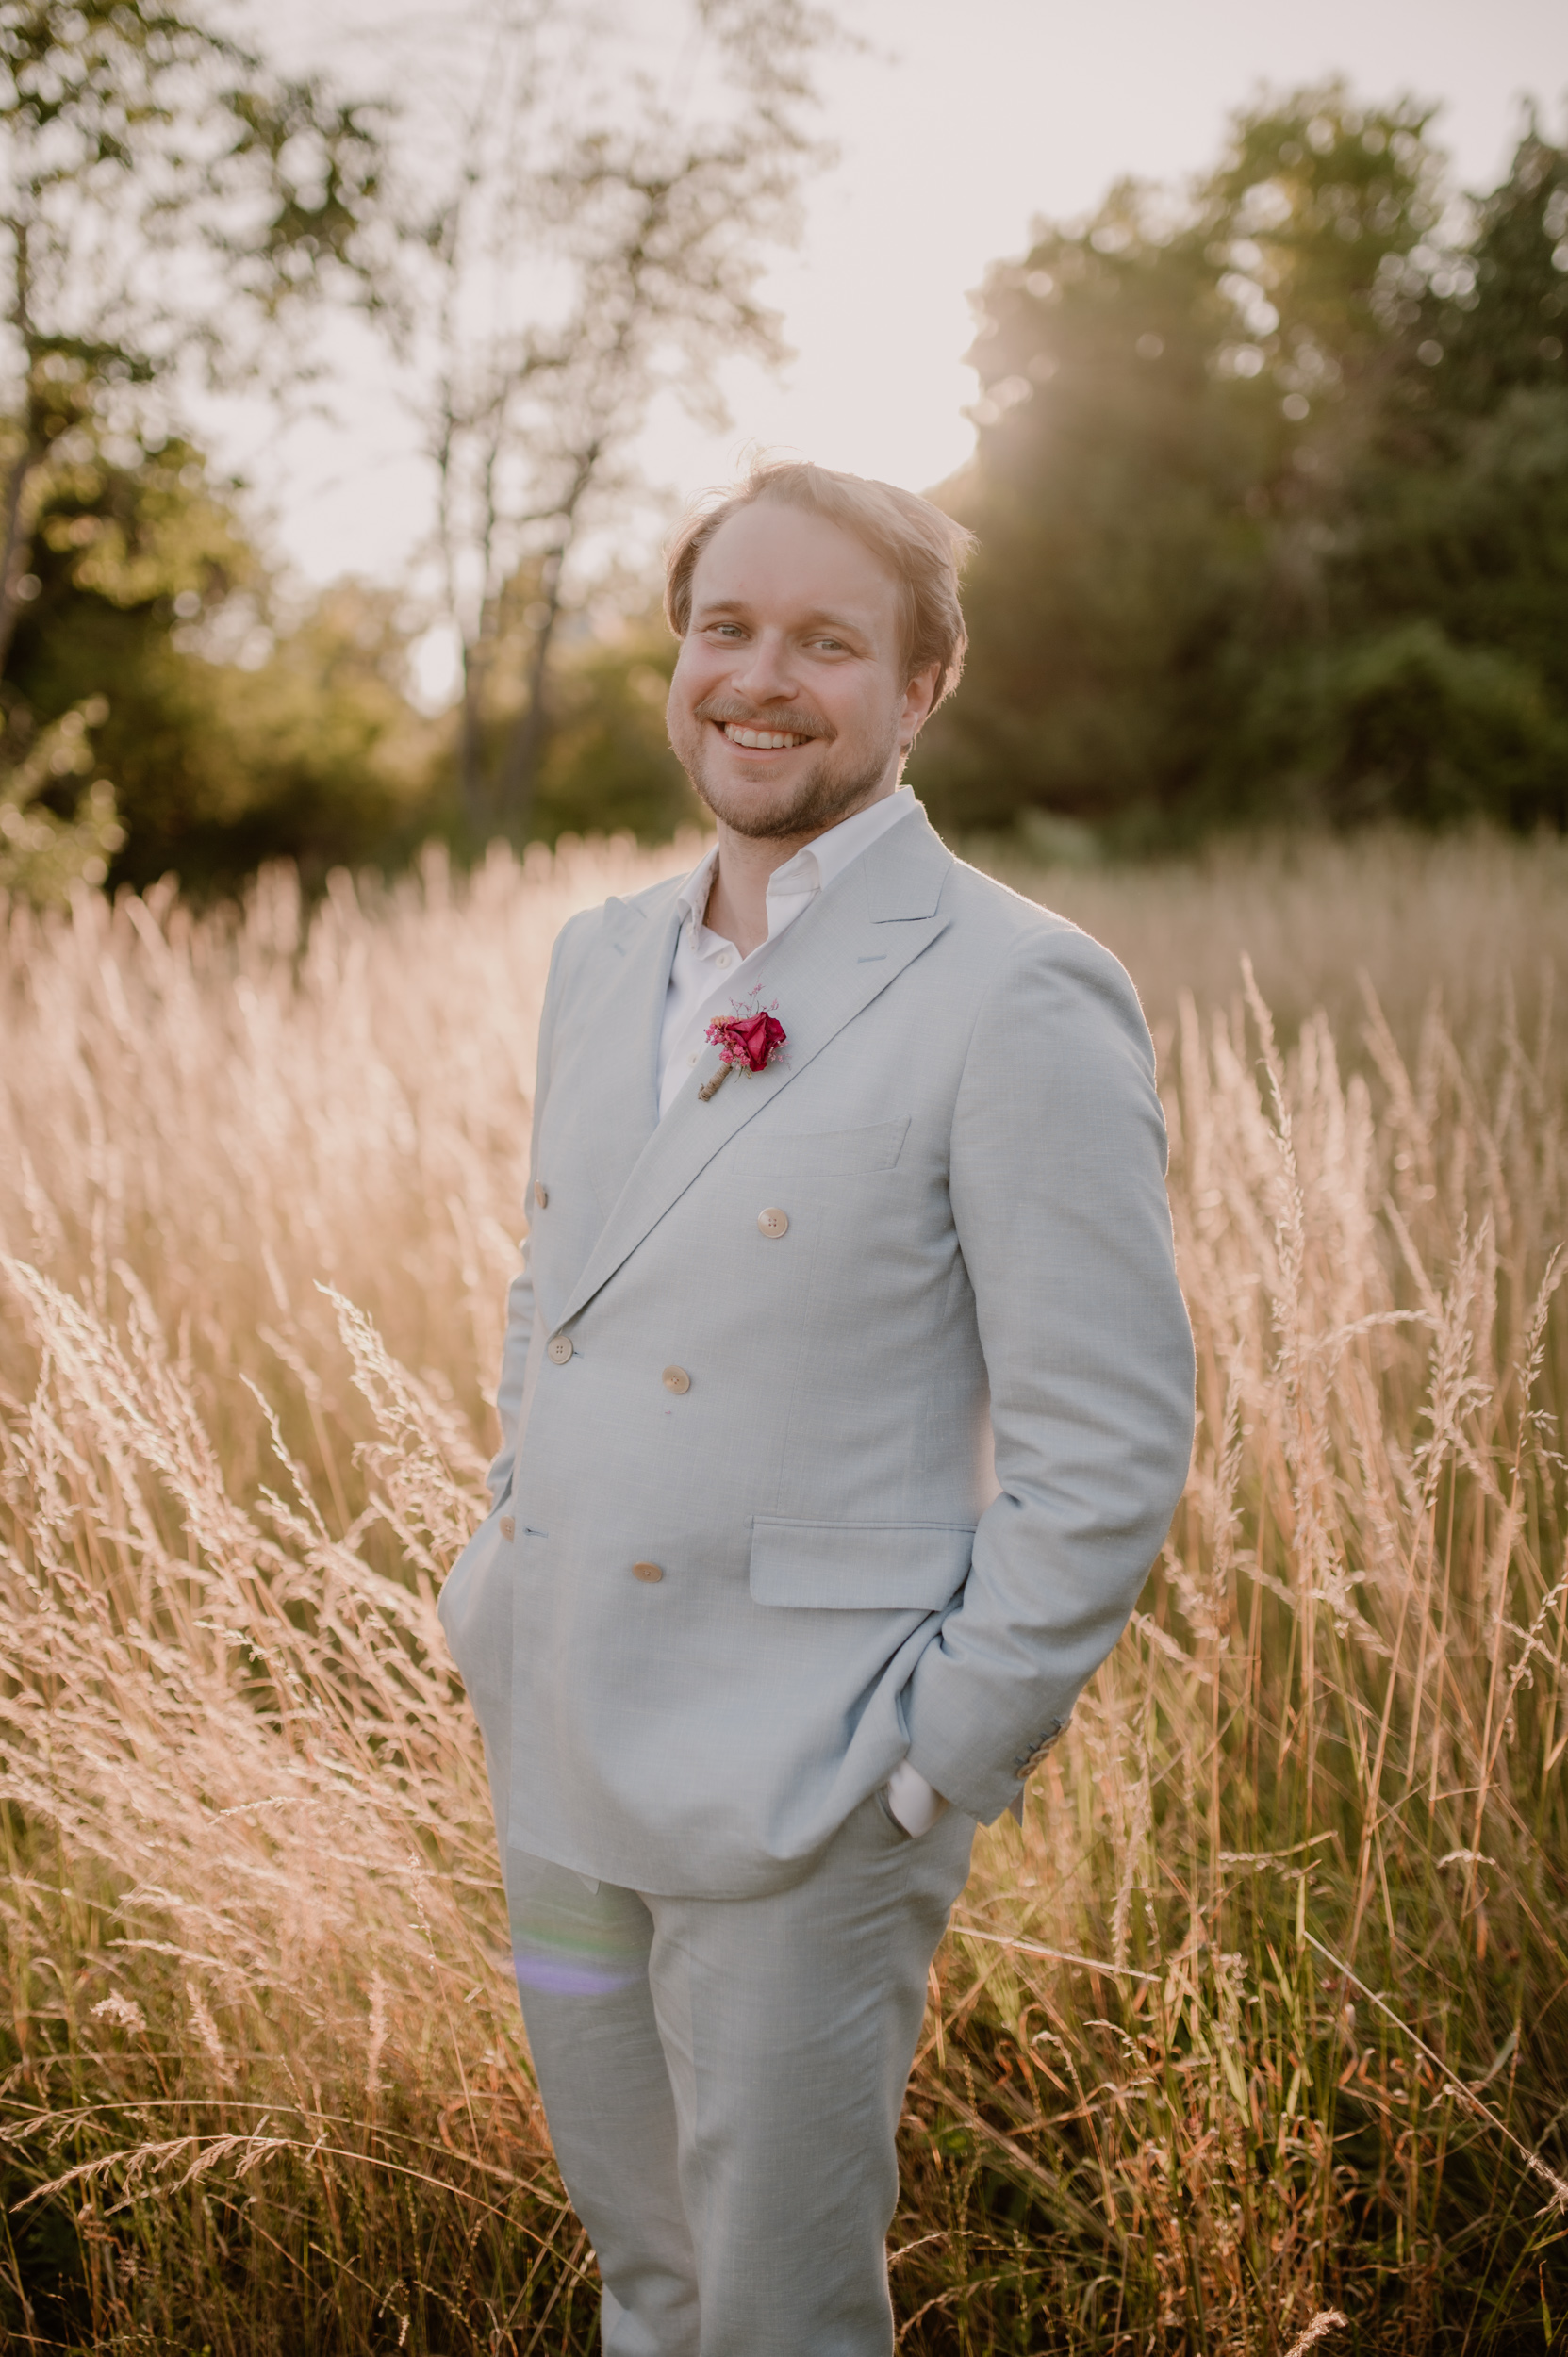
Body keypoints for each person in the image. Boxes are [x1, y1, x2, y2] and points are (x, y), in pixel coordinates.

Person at [437, 458, 1195, 2356]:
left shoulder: (1018, 989)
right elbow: (559, 1293)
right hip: (558, 1744)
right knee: (645, 2270)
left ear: (921, 684)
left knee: (776, 2312)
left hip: (810, 1779)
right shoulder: (601, 956)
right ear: (680, 656)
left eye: (827, 642)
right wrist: (497, 1576)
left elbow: (1104, 1446)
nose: (761, 678)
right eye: (728, 627)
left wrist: (936, 1757)